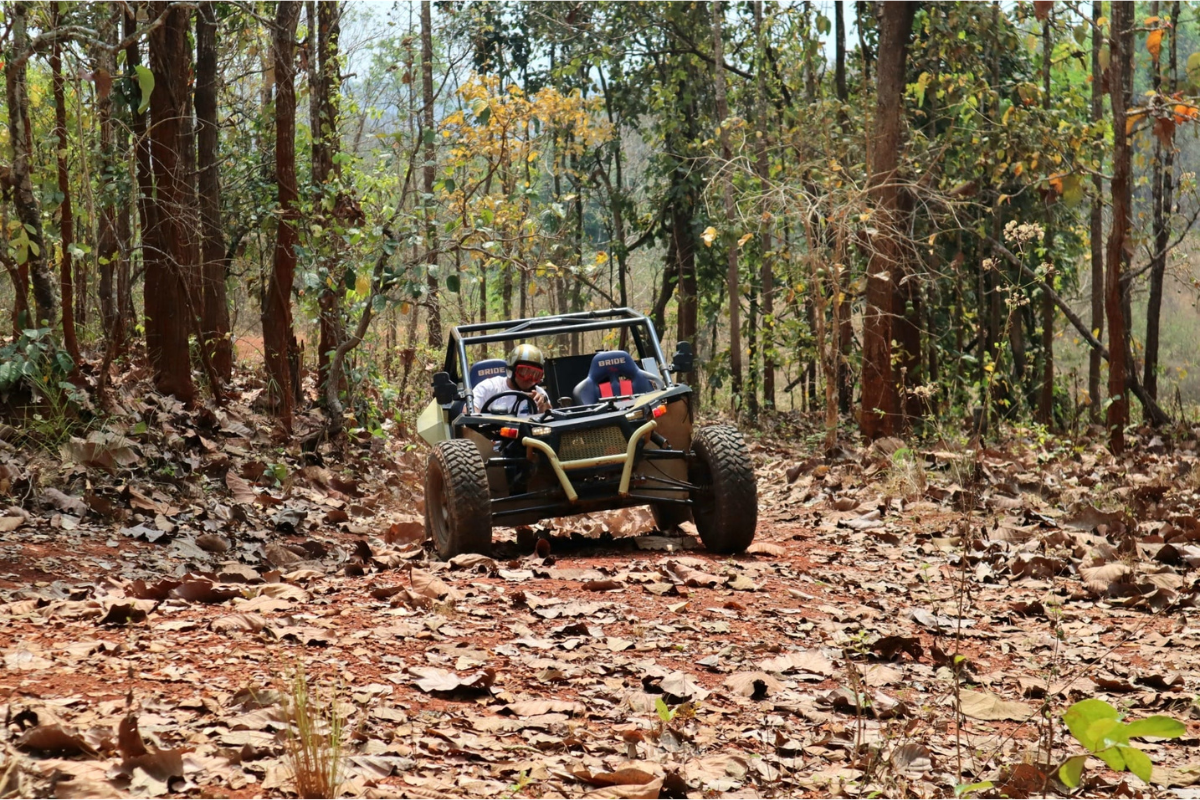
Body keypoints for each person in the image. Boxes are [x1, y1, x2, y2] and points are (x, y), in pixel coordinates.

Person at [472, 344, 551, 415]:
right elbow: (469, 412)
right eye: (524, 371)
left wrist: (544, 406)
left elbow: (550, 422)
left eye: (536, 374)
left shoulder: (540, 394)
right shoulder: (488, 387)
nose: (530, 379)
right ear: (512, 369)